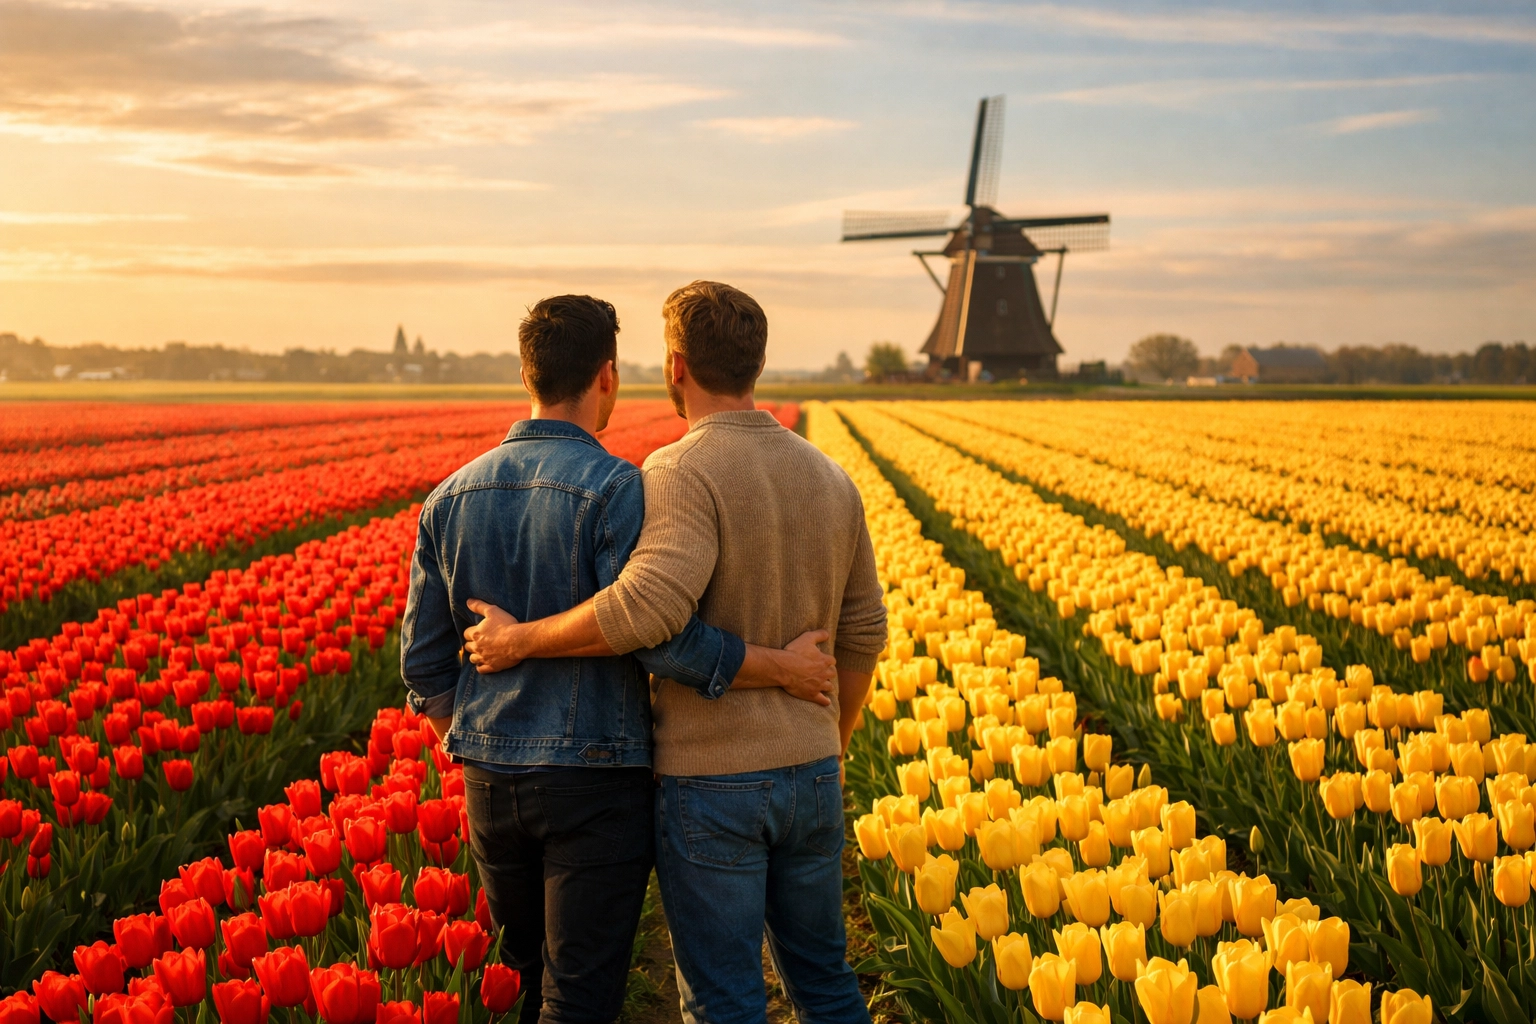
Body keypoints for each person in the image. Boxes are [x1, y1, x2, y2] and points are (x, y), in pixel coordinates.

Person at [400, 293, 838, 1024]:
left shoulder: (448, 497)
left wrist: (470, 738)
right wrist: (773, 665)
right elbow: (660, 635)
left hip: (489, 783)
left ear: (524, 375)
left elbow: (423, 662)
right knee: (578, 995)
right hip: (595, 782)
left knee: (519, 976)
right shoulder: (616, 489)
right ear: (608, 377)